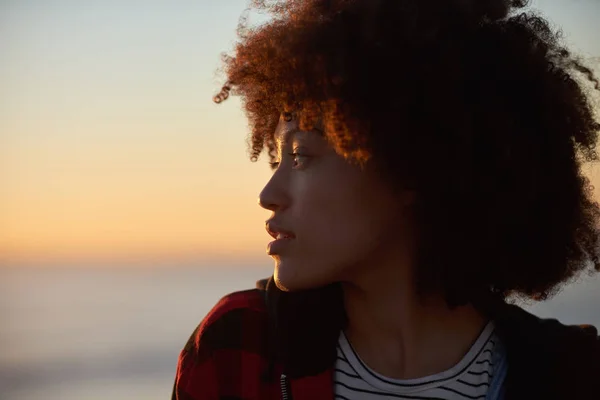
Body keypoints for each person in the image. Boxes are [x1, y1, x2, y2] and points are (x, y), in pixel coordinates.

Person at [172, 0, 600, 399]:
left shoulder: (575, 374)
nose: (268, 195)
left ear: (410, 166)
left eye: (300, 156)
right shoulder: (237, 347)